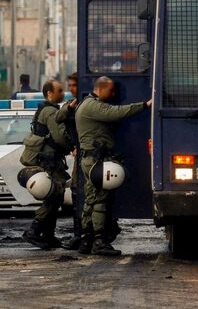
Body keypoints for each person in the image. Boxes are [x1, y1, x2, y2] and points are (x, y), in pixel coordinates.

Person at [76, 76, 152, 256]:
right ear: (100, 89)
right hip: (96, 160)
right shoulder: (92, 106)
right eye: (110, 91)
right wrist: (144, 105)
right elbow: (116, 112)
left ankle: (86, 240)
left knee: (91, 199)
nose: (113, 94)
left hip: (91, 159)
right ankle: (99, 242)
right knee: (100, 200)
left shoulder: (86, 105)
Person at [21, 80, 72, 249]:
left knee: (54, 196)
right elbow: (59, 137)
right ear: (49, 93)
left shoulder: (44, 108)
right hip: (50, 160)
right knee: (55, 195)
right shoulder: (50, 111)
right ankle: (34, 232)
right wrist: (71, 147)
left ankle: (48, 236)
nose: (62, 93)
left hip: (47, 158)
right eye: (59, 91)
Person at [55, 72, 81, 250]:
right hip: (79, 155)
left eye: (74, 85)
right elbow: (59, 118)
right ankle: (79, 234)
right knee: (76, 191)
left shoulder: (90, 104)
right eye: (70, 86)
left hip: (91, 153)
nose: (71, 89)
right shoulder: (71, 105)